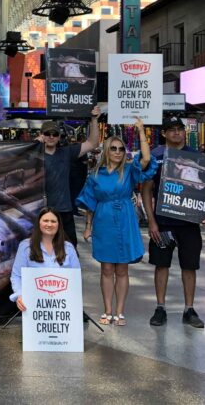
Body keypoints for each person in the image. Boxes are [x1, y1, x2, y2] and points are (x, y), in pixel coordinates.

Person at [141, 117, 205, 329]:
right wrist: (151, 220)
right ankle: (160, 307)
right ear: (164, 133)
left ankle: (189, 309)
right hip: (163, 221)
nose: (177, 133)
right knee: (161, 264)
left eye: (180, 129)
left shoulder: (195, 156)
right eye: (172, 130)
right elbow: (146, 189)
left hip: (189, 222)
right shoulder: (156, 156)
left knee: (190, 265)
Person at [77, 117, 154, 326]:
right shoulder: (95, 174)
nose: (118, 152)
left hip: (125, 219)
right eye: (113, 148)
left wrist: (141, 131)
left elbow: (146, 160)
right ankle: (107, 310)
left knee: (122, 269)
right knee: (106, 269)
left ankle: (120, 311)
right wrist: (88, 227)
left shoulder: (129, 170)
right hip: (104, 220)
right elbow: (90, 202)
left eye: (121, 148)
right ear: (106, 151)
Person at [39, 106, 101, 247]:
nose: (51, 137)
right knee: (42, 251)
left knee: (70, 249)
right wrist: (35, 144)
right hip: (41, 211)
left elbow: (92, 143)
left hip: (64, 210)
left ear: (59, 136)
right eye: (47, 133)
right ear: (42, 134)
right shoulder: (34, 154)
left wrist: (94, 120)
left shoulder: (66, 152)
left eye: (54, 134)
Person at [10, 207, 81, 312]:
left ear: (58, 225)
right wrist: (20, 295)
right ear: (39, 223)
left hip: (62, 306)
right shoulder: (25, 246)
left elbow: (76, 277)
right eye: (45, 221)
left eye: (53, 221)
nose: (49, 224)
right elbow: (16, 276)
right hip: (34, 306)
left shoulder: (69, 248)